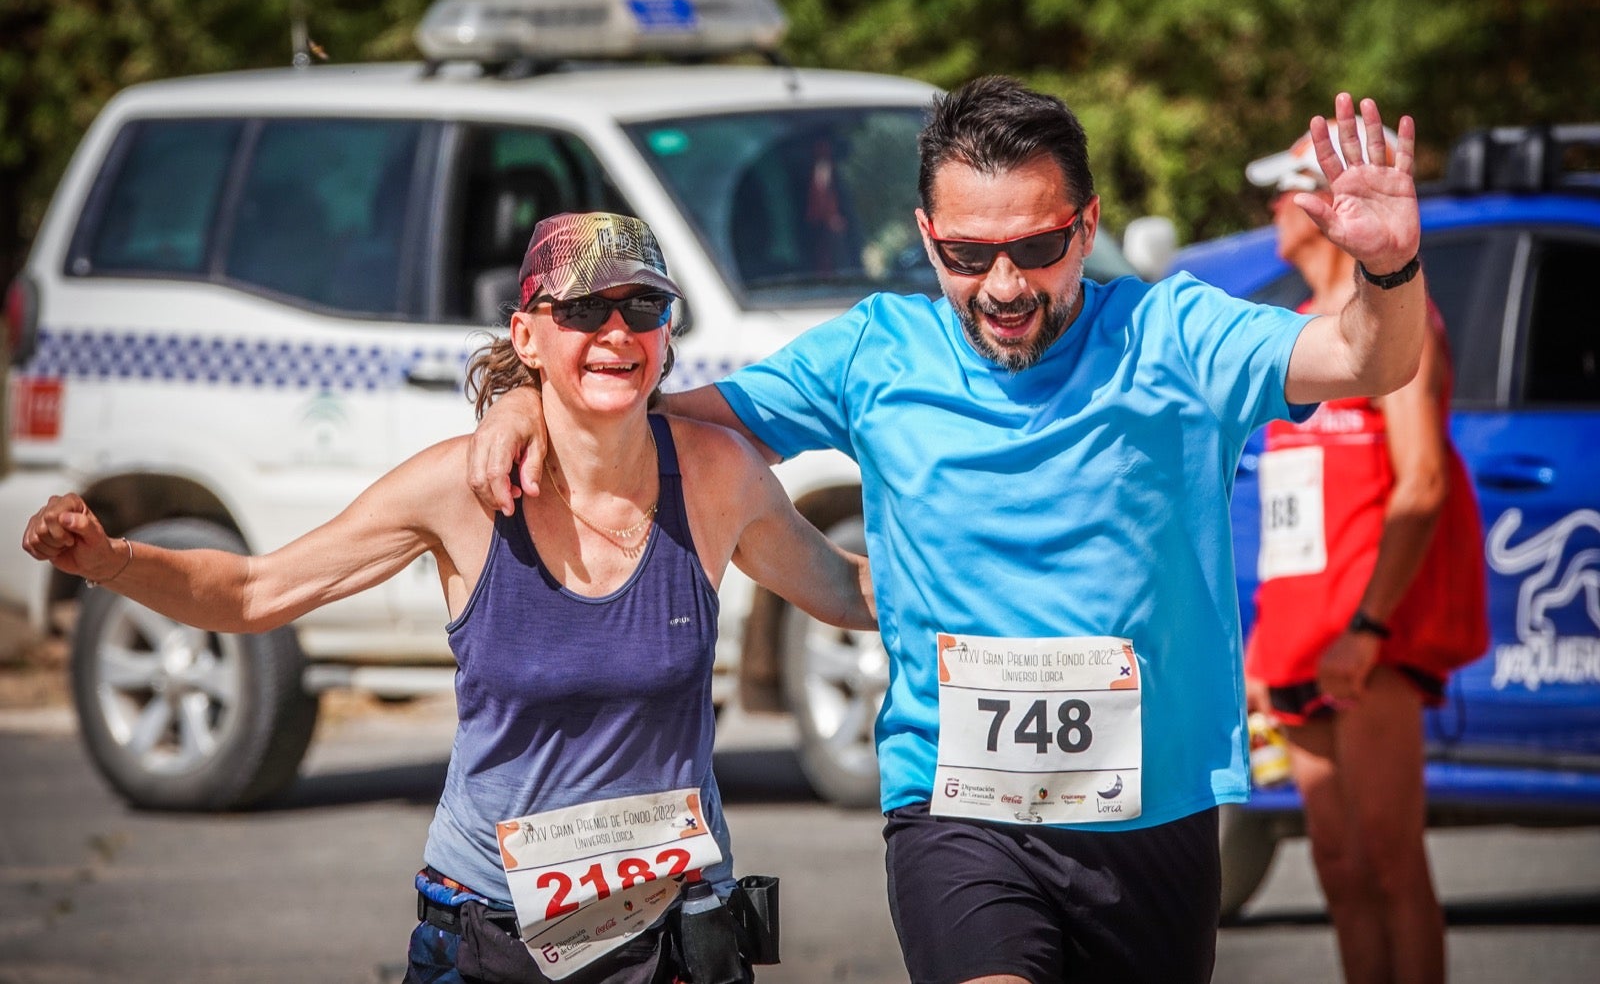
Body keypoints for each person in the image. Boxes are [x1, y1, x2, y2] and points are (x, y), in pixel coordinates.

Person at [468, 78, 1425, 984]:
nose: (1004, 285)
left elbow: (1362, 355)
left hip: (1153, 813)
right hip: (956, 809)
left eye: (1038, 249)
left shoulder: (1176, 334)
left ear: (1087, 226)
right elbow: (663, 421)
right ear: (928, 239)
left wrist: (1388, 264)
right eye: (968, 256)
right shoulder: (879, 351)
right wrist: (520, 396)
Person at [21, 212, 876, 984]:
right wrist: (110, 557)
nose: (617, 332)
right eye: (584, 310)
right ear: (528, 336)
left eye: (643, 310)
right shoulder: (461, 489)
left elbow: (842, 587)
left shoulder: (716, 475)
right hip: (492, 930)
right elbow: (254, 591)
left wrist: (990, 576)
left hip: (674, 935)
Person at [1243, 129, 1488, 984]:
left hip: (1366, 643)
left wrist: (1368, 626)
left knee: (1390, 861)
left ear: (1318, 202)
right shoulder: (1294, 336)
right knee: (1340, 871)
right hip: (1301, 641)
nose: (1273, 210)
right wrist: (1266, 638)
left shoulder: (1391, 321)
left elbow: (1420, 483)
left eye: (1281, 192)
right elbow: (1290, 508)